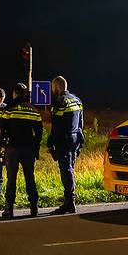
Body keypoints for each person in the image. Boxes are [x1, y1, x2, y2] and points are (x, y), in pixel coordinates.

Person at [0, 83, 42, 219]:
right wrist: (35, 146)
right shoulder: (33, 110)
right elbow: (39, 132)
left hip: (13, 148)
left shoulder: (10, 109)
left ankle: (9, 209)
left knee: (11, 178)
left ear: (15, 94)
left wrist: (1, 146)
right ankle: (34, 208)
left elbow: (1, 129)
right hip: (29, 148)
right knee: (30, 176)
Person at [46, 76, 84, 215]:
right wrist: (80, 141)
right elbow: (81, 124)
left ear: (56, 87)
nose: (51, 90)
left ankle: (70, 202)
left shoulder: (59, 102)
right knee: (70, 169)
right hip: (75, 139)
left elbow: (56, 127)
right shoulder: (77, 100)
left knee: (66, 170)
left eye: (52, 87)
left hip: (64, 140)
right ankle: (70, 200)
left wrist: (50, 143)